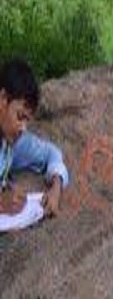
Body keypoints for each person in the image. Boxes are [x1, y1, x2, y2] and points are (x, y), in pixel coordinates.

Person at [0, 58, 69, 217]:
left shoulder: (12, 143)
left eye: (27, 120)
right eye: (20, 116)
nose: (23, 128)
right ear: (3, 99)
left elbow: (51, 153)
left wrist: (56, 186)